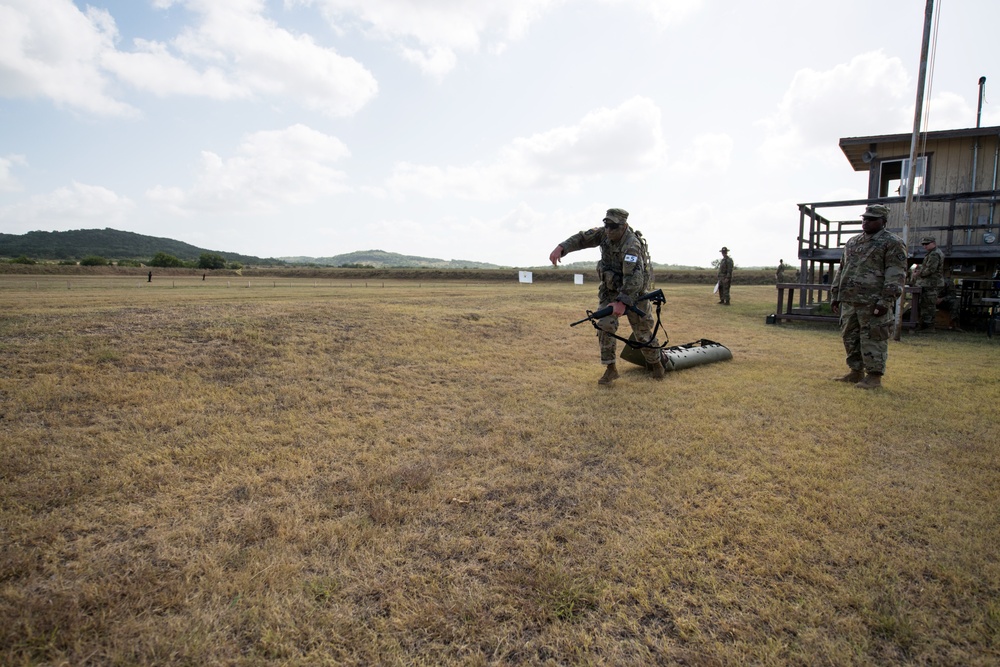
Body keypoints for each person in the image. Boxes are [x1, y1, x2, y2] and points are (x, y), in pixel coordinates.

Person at [549, 208, 666, 384]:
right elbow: (582, 238)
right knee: (604, 326)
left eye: (614, 227)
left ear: (624, 226)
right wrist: (562, 247)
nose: (609, 230)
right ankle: (611, 369)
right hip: (610, 292)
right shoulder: (604, 234)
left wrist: (622, 301)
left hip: (633, 293)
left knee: (642, 333)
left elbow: (635, 278)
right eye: (607, 225)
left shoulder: (631, 246)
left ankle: (656, 364)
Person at [830, 204, 907, 389]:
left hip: (873, 301)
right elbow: (842, 269)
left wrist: (886, 300)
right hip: (850, 299)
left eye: (872, 219)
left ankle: (874, 377)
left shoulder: (892, 243)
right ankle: (856, 371)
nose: (866, 222)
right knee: (850, 336)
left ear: (883, 221)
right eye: (864, 218)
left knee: (874, 337)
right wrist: (835, 294)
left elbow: (896, 274)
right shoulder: (853, 242)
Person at [912, 235, 945, 331]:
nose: (924, 246)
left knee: (928, 305)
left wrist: (918, 273)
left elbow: (931, 269)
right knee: (926, 304)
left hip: (931, 283)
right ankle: (925, 325)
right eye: (923, 244)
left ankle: (928, 326)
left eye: (927, 244)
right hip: (930, 283)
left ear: (933, 243)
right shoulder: (933, 253)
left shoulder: (934, 254)